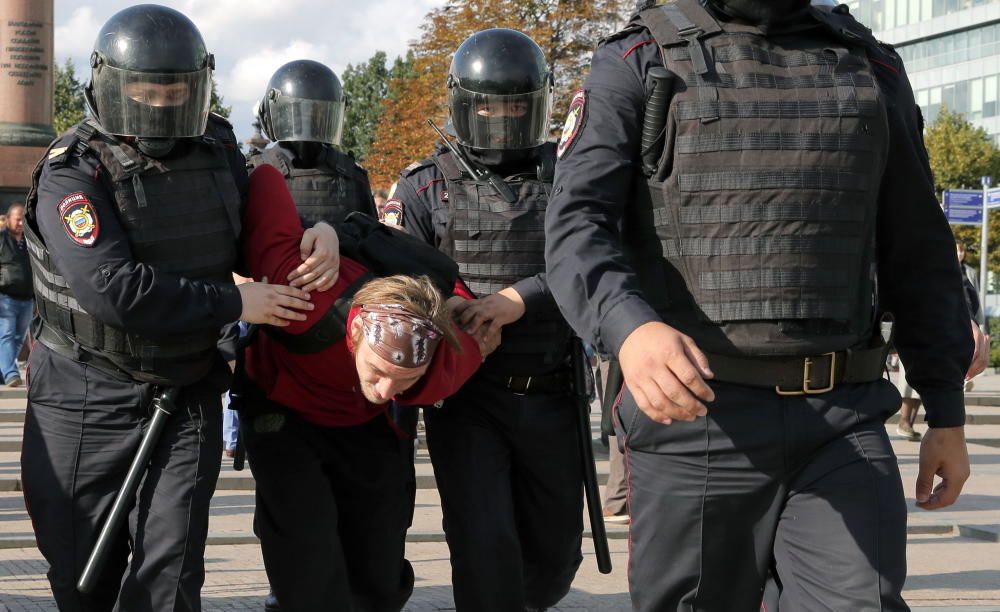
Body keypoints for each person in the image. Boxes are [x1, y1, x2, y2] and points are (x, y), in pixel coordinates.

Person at [544, 1, 978, 609]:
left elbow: (919, 247)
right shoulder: (638, 58)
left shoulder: (870, 63)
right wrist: (630, 327)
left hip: (842, 415)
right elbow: (576, 227)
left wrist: (946, 413)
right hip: (696, 416)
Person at [18, 6, 339, 611]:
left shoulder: (217, 147)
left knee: (170, 579)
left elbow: (257, 224)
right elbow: (112, 289)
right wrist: (236, 301)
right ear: (109, 84)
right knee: (83, 578)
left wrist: (319, 230)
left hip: (186, 388)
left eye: (175, 89)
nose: (160, 103)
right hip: (86, 396)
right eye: (144, 89)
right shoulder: (73, 172)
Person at [234, 162, 493, 612]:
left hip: (368, 430)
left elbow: (472, 320)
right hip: (284, 412)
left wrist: (468, 307)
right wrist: (322, 229)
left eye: (405, 380)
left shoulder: (448, 358)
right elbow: (266, 178)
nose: (389, 386)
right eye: (378, 372)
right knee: (307, 563)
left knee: (378, 572)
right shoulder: (303, 292)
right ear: (353, 336)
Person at [394, 29, 583, 612]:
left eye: (514, 108)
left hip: (554, 394)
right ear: (462, 105)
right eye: (486, 107)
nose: (500, 120)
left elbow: (597, 254)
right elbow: (404, 275)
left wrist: (518, 299)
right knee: (484, 550)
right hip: (468, 401)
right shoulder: (424, 184)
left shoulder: (571, 174)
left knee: (556, 557)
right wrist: (448, 307)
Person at [249, 60, 376, 227]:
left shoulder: (353, 175)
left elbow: (371, 239)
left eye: (314, 115)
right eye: (300, 115)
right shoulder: (254, 173)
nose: (307, 122)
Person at [897, 240, 990, 440]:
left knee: (925, 388)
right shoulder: (930, 265)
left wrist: (975, 323)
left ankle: (917, 424)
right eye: (955, 249)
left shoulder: (966, 272)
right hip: (922, 332)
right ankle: (906, 421)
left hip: (953, 328)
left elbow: (972, 298)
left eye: (961, 250)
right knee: (913, 384)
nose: (959, 253)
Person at [0, 203, 32, 387]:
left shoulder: (28, 242)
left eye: (23, 219)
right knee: (6, 335)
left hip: (26, 299)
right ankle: (11, 373)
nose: (20, 222)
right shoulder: (1, 239)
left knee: (18, 337)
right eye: (17, 218)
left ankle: (2, 373)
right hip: (6, 298)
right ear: (8, 219)